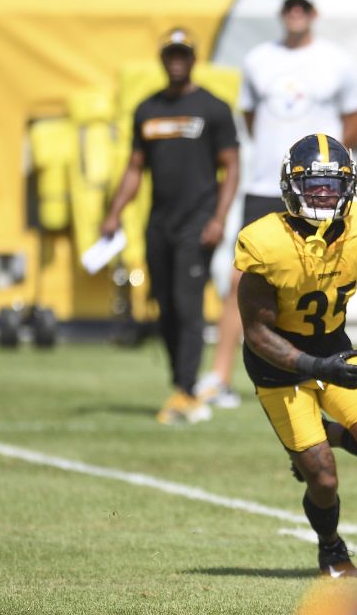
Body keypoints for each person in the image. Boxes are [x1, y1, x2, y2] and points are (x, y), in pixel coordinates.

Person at [198, 0, 357, 410]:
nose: (296, 13)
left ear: (314, 12)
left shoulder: (337, 62)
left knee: (322, 277)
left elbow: (355, 127)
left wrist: (322, 176)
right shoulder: (258, 60)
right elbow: (250, 120)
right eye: (290, 6)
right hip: (264, 187)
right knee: (241, 279)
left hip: (319, 190)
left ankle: (322, 368)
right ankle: (218, 375)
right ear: (281, 10)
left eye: (303, 7)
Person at [236, 133, 357, 577]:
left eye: (332, 185)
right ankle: (332, 550)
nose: (323, 195)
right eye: (313, 185)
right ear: (291, 188)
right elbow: (256, 334)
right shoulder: (264, 242)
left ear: (350, 186)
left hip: (333, 349)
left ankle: (334, 435)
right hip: (277, 365)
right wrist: (313, 369)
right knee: (322, 478)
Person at [101, 28, 239, 426]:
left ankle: (188, 389)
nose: (177, 60)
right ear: (163, 59)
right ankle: (181, 383)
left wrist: (218, 218)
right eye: (171, 54)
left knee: (187, 302)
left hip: (197, 222)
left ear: (193, 58)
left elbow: (230, 167)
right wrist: (114, 213)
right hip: (159, 222)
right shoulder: (147, 109)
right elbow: (134, 168)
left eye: (183, 53)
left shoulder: (212, 108)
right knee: (164, 305)